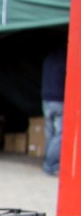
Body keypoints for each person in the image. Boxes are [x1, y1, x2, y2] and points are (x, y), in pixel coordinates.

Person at [42, 47, 67, 176]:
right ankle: (51, 166)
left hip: (46, 100)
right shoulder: (65, 60)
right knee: (60, 134)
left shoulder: (48, 59)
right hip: (59, 101)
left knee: (50, 133)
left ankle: (47, 162)